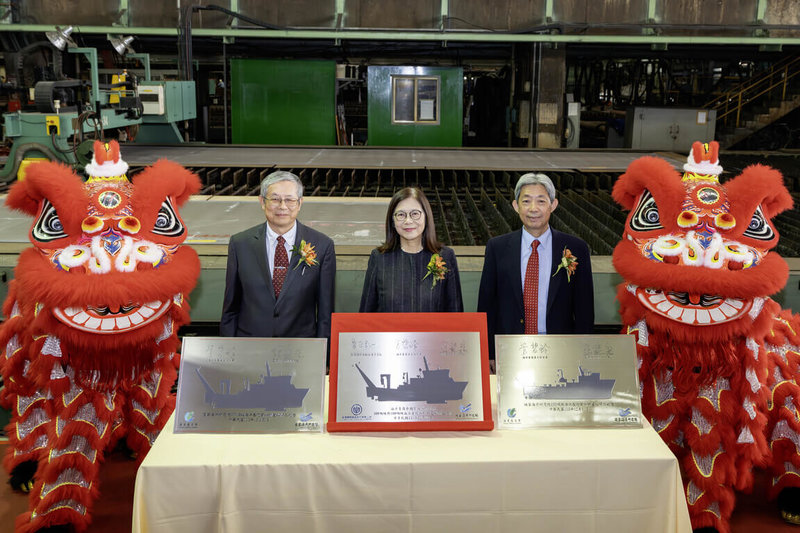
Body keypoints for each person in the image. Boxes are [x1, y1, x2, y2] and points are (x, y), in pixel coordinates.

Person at [477, 173, 594, 358]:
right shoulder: (497, 248)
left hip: (560, 350)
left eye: (541, 201)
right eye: (526, 201)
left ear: (553, 205)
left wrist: (584, 352)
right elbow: (487, 305)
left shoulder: (576, 248)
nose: (533, 209)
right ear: (516, 206)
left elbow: (584, 309)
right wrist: (489, 353)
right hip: (510, 349)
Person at [220, 171, 335, 339]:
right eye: (275, 199)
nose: (282, 206)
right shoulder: (240, 244)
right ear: (262, 201)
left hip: (300, 349)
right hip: (250, 348)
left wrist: (323, 359)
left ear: (300, 203)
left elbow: (326, 314)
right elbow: (230, 308)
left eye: (289, 199)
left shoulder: (322, 246)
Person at [360, 187, 463, 313]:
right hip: (391, 333)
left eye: (415, 213)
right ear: (392, 221)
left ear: (426, 216)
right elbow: (365, 314)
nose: (408, 221)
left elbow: (456, 314)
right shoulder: (379, 257)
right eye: (401, 215)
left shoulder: (445, 256)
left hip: (433, 333)